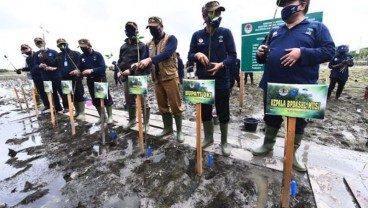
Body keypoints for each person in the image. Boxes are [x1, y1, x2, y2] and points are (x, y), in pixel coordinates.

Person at [252, 0, 335, 172]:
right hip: (272, 84)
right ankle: (268, 145)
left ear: (302, 5)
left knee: (298, 123)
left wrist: (302, 52)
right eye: (283, 4)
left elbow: (329, 52)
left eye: (289, 2)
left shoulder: (317, 28)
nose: (285, 6)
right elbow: (263, 57)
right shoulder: (275, 31)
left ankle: (292, 153)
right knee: (271, 118)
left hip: (301, 87)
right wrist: (260, 54)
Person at [187, 1, 237, 156]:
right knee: (205, 111)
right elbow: (189, 55)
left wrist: (221, 65)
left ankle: (224, 141)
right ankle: (208, 137)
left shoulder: (226, 33)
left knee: (223, 111)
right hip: (203, 81)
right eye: (213, 13)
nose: (217, 16)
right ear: (204, 15)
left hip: (221, 79)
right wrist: (197, 54)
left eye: (219, 13)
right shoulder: (197, 35)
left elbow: (233, 56)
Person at [138, 16, 184, 143]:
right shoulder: (148, 44)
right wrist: (138, 65)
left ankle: (179, 131)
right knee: (162, 105)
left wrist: (150, 60)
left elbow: (167, 53)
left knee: (175, 104)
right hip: (156, 78)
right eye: (150, 28)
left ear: (161, 26)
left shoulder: (171, 39)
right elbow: (144, 58)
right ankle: (168, 128)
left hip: (170, 77)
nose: (153, 30)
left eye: (155, 27)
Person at [117, 21, 150, 131]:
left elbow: (144, 62)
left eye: (132, 29)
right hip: (126, 77)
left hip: (138, 77)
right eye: (128, 29)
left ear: (136, 31)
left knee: (143, 100)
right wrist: (118, 71)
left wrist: (131, 71)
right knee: (129, 100)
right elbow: (120, 61)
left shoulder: (142, 45)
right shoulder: (122, 47)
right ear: (125, 31)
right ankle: (132, 120)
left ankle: (146, 123)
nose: (130, 31)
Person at [44, 38, 85, 120]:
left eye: (63, 44)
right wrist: (45, 58)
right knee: (71, 96)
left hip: (76, 78)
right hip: (65, 79)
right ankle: (77, 111)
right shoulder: (59, 55)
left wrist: (78, 72)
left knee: (79, 94)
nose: (62, 46)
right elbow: (53, 64)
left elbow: (82, 64)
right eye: (60, 45)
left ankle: (82, 113)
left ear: (67, 44)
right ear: (58, 46)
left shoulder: (75, 53)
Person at [77, 39, 114, 124]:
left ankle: (110, 116)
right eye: (81, 47)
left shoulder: (97, 55)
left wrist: (92, 70)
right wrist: (77, 71)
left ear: (89, 46)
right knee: (94, 98)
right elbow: (79, 67)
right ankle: (102, 116)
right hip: (90, 80)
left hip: (100, 79)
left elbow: (102, 68)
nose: (82, 49)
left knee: (105, 97)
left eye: (84, 47)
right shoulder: (81, 57)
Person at [34, 37, 65, 113]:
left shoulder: (54, 52)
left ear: (44, 42)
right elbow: (35, 66)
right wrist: (39, 66)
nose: (40, 44)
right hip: (45, 76)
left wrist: (54, 68)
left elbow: (59, 63)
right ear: (36, 45)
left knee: (62, 91)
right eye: (38, 43)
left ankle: (67, 106)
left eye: (41, 42)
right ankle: (58, 108)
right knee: (52, 93)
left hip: (56, 75)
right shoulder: (37, 54)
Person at [19, 44, 49, 110]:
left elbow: (44, 63)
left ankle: (54, 105)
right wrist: (22, 69)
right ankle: (47, 105)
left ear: (30, 48)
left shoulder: (38, 54)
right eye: (23, 50)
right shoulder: (27, 59)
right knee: (41, 92)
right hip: (35, 77)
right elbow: (30, 68)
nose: (25, 51)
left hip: (44, 75)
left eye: (26, 49)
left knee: (49, 90)